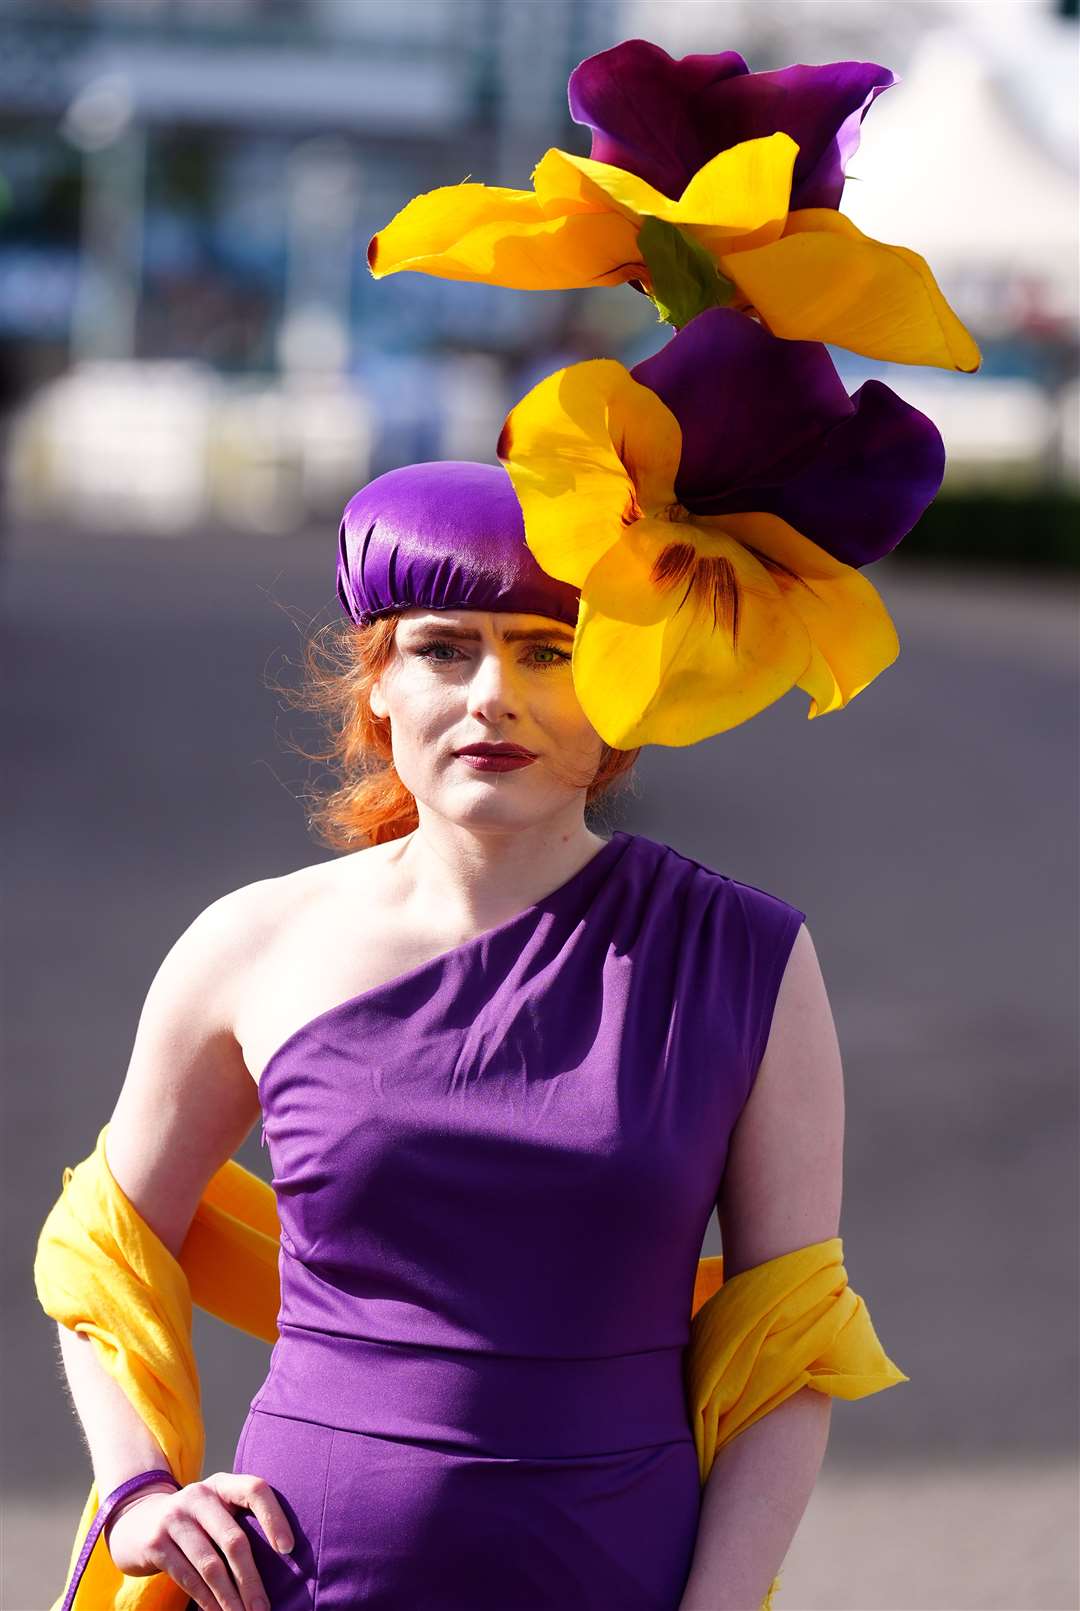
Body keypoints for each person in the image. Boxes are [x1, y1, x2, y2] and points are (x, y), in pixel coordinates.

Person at [37, 458, 907, 1611]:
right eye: (445, 648)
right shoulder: (249, 946)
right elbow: (107, 1237)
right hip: (292, 1587)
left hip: (617, 1583)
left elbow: (790, 1344)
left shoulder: (747, 958)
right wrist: (136, 1487)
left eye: (549, 651)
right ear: (378, 687)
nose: (492, 694)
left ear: (622, 686)